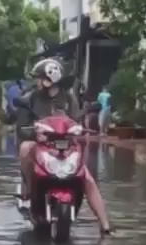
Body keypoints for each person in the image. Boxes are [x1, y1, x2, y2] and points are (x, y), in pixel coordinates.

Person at [16, 58, 113, 235]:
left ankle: (105, 225)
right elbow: (22, 128)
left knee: (88, 179)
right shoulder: (30, 99)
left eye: (39, 78)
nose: (37, 82)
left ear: (49, 79)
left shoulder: (68, 98)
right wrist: (35, 133)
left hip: (65, 144)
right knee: (24, 148)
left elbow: (75, 119)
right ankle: (28, 189)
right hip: (40, 144)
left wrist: (78, 127)